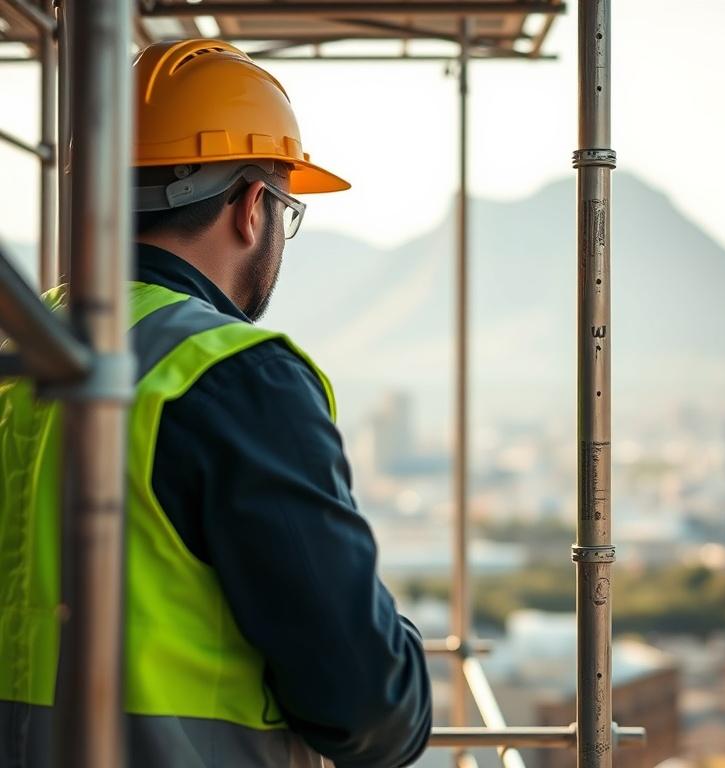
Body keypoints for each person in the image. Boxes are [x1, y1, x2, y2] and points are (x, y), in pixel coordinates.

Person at [0, 39, 432, 767]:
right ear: (253, 206)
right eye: (287, 209)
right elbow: (368, 707)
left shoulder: (23, 343)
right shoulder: (235, 376)